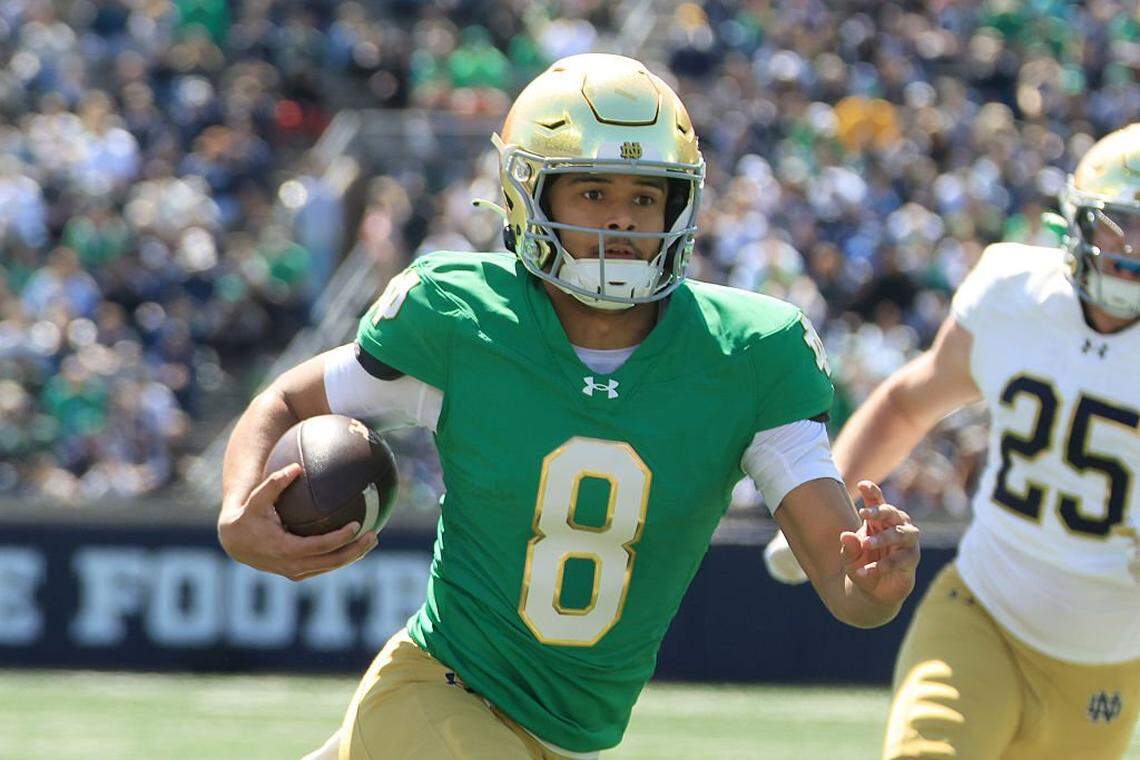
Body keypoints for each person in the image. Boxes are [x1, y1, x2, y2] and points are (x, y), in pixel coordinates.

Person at [217, 54, 921, 760]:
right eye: (591, 194)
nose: (621, 219)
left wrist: (876, 585)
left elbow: (843, 582)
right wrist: (236, 509)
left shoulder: (750, 355)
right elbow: (284, 398)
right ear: (531, 196)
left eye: (645, 198)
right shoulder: (463, 319)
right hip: (441, 686)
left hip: (566, 738)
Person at [764, 124, 1140, 759]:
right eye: (1120, 223)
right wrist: (818, 525)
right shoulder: (1014, 291)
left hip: (1105, 663)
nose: (1131, 246)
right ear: (1078, 224)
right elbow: (909, 403)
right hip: (982, 615)